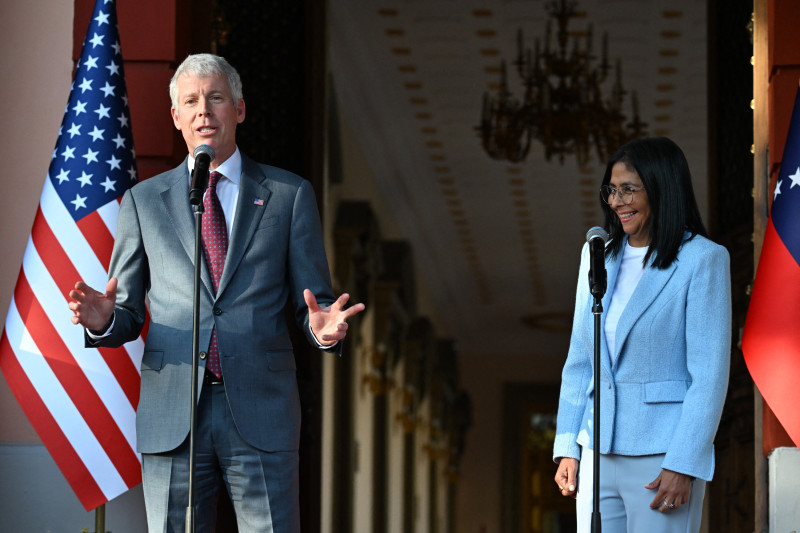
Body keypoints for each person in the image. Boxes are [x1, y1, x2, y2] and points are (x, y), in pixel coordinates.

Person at [67, 53, 364, 533]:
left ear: (239, 110)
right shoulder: (143, 202)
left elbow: (313, 302)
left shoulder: (289, 196)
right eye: (191, 101)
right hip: (173, 413)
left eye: (216, 98)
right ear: (176, 118)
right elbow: (125, 314)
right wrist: (103, 319)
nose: (204, 110)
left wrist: (322, 329)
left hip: (261, 409)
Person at [552, 137, 731, 532]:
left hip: (661, 456)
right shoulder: (597, 253)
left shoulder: (703, 259)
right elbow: (581, 360)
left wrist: (684, 462)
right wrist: (568, 445)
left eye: (629, 189)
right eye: (611, 190)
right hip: (596, 451)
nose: (617, 201)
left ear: (662, 187)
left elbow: (709, 375)